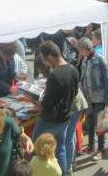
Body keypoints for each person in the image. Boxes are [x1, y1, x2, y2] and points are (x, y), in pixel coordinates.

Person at [32, 41, 79, 175]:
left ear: (50, 57)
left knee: (37, 146)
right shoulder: (73, 69)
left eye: (44, 60)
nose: (45, 63)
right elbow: (74, 93)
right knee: (60, 149)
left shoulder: (55, 75)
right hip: (64, 118)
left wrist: (33, 100)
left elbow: (46, 106)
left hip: (49, 120)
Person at [77, 37, 108, 161]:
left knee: (100, 125)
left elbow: (107, 79)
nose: (79, 53)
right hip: (89, 97)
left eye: (80, 50)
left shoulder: (100, 60)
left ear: (87, 48)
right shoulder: (85, 60)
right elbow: (83, 78)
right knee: (90, 123)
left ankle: (101, 149)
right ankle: (91, 146)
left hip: (100, 97)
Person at [65, 89, 88, 175]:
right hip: (78, 102)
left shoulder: (58, 76)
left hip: (75, 104)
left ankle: (68, 168)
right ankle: (72, 162)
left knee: (69, 136)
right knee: (72, 134)